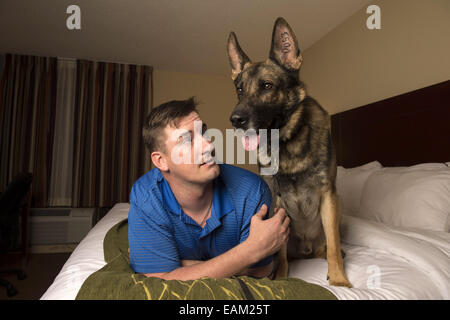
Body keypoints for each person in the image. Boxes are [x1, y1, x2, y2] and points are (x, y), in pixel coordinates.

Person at [128, 97, 290, 281]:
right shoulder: (146, 196)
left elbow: (262, 273)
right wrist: (249, 251)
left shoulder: (251, 191)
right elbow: (156, 278)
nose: (209, 145)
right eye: (187, 140)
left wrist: (178, 266)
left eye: (203, 133)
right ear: (161, 161)